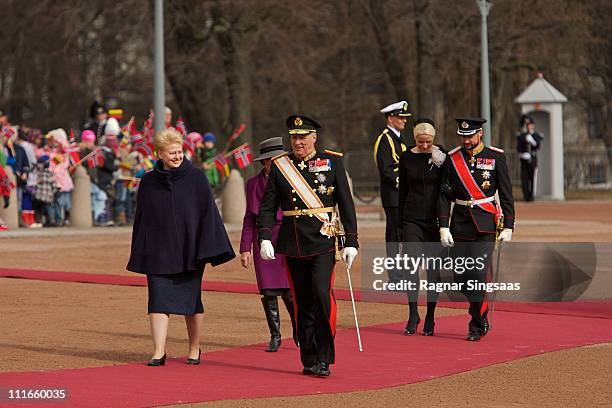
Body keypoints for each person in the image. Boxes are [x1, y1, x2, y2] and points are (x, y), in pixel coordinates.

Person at [257, 115, 358, 377]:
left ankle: (324, 356)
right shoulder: (281, 165)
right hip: (293, 243)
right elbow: (268, 205)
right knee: (302, 302)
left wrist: (351, 241)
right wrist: (265, 236)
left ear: (314, 137)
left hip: (323, 240)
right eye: (294, 137)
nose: (298, 141)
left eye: (303, 136)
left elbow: (345, 204)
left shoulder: (332, 161)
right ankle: (309, 356)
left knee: (321, 297)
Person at [127, 127, 235, 366]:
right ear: (160, 154)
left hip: (191, 251)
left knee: (191, 302)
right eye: (171, 153)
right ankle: (158, 352)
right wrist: (140, 251)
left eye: (179, 151)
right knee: (157, 300)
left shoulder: (196, 177)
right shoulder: (147, 182)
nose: (176, 156)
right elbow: (142, 219)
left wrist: (209, 250)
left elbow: (209, 215)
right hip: (158, 252)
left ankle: (194, 348)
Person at [438, 117, 515, 341]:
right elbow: (444, 195)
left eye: (470, 136)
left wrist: (508, 225)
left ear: (480, 133)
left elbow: (507, 195)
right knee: (460, 276)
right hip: (460, 224)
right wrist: (444, 225)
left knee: (478, 275)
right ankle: (480, 312)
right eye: (463, 137)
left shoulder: (495, 157)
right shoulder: (453, 159)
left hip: (485, 226)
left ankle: (476, 323)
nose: (466, 141)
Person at [240, 137, 298, 352]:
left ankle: (298, 331)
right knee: (269, 291)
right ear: (263, 162)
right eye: (270, 160)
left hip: (288, 236)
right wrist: (245, 248)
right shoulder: (253, 184)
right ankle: (275, 335)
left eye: (278, 159)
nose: (273, 163)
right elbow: (249, 217)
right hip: (263, 238)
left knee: (290, 291)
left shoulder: (293, 180)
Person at [398, 118, 446, 335]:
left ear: (433, 139)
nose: (425, 146)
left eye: (428, 142)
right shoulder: (407, 157)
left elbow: (448, 191)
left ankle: (430, 315)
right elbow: (402, 192)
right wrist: (399, 225)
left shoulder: (442, 155)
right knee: (411, 267)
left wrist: (445, 223)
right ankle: (412, 313)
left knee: (433, 271)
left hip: (435, 221)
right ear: (414, 138)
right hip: (412, 219)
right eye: (420, 141)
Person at [373, 101, 411, 286]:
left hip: (401, 197)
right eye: (400, 117)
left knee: (402, 237)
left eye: (404, 117)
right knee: (394, 238)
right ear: (390, 118)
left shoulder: (398, 138)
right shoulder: (385, 139)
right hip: (394, 196)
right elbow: (387, 170)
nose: (404, 120)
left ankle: (401, 274)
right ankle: (395, 277)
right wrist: (404, 186)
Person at [516, 116, 543, 202]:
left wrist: (532, 141)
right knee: (524, 178)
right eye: (527, 125)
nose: (528, 126)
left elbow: (538, 146)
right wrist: (522, 154)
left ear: (533, 125)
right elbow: (519, 148)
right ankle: (526, 196)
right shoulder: (522, 136)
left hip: (533, 159)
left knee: (532, 178)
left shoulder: (535, 135)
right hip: (524, 159)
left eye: (530, 125)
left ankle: (532, 196)